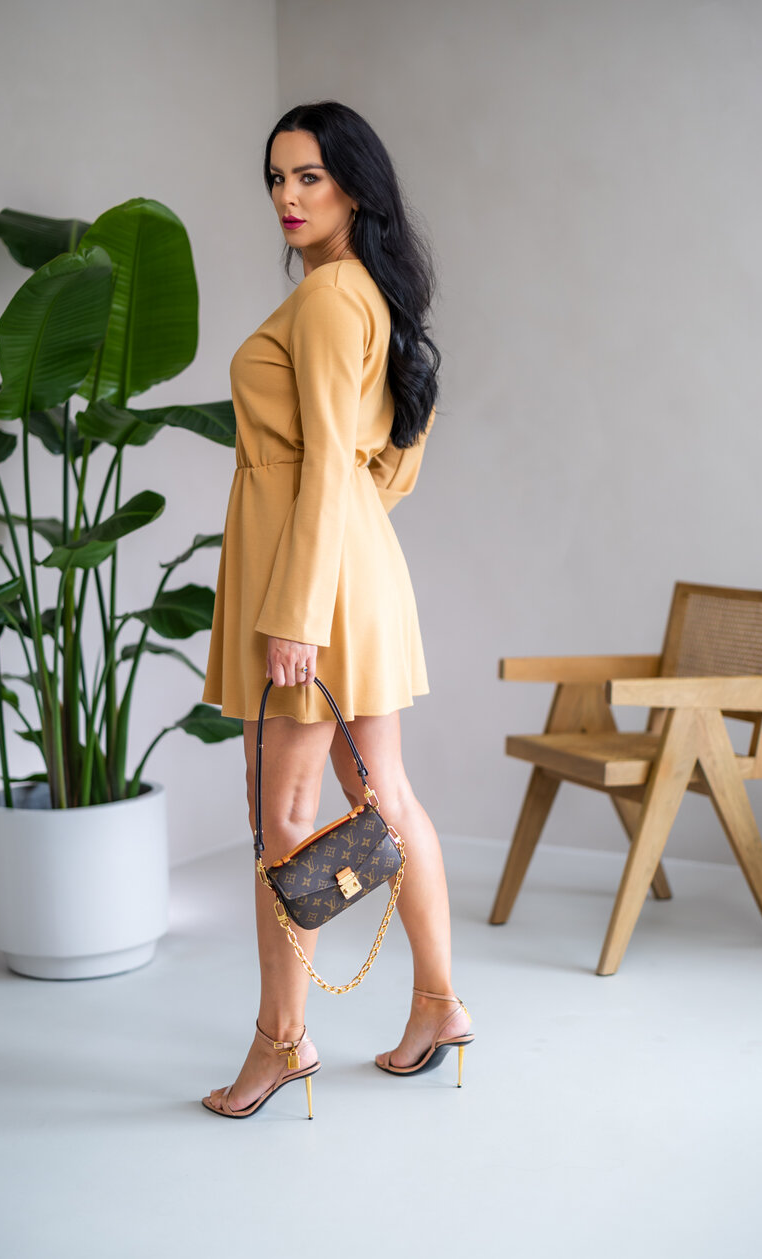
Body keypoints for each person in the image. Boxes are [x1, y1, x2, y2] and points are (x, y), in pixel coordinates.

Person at [200, 101, 473, 1119]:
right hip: (357, 567)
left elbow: (320, 463)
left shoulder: (324, 299)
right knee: (383, 794)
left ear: (354, 187)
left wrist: (298, 610)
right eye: (276, 177)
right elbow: (383, 464)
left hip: (305, 582)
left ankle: (282, 1041)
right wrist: (345, 556)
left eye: (307, 176)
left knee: (281, 817)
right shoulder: (374, 295)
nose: (286, 195)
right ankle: (439, 1003)